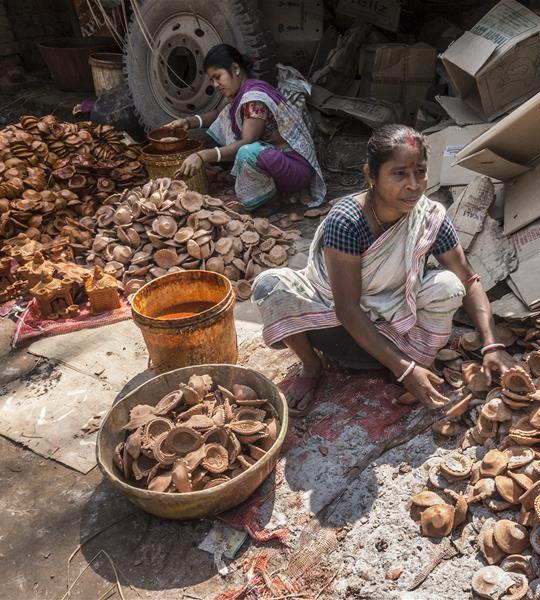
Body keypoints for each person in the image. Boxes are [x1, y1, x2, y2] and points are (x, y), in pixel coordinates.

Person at [251, 124, 518, 416]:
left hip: (397, 328)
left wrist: (491, 344)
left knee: (449, 286)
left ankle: (414, 360)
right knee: (270, 284)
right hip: (336, 329)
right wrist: (404, 371)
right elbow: (348, 308)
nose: (414, 185)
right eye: (399, 173)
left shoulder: (429, 218)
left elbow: (469, 279)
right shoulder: (348, 220)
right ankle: (313, 367)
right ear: (371, 175)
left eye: (420, 172)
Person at [165, 43, 325, 211]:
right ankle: (265, 189)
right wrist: (188, 122)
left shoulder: (253, 98)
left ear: (235, 69)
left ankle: (267, 200)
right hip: (279, 163)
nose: (215, 84)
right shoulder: (241, 93)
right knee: (226, 115)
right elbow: (217, 115)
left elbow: (247, 142)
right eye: (212, 80)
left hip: (295, 170)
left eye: (218, 77)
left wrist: (203, 156)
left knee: (247, 152)